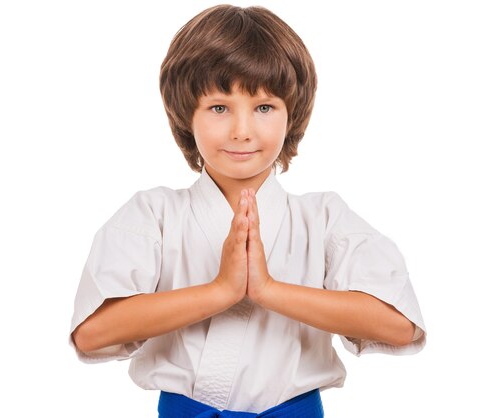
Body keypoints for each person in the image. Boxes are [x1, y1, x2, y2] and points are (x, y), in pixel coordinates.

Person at [69, 4, 426, 417]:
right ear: (187, 116)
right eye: (219, 108)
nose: (242, 130)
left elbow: (399, 325)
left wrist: (268, 290)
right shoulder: (153, 214)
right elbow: (91, 333)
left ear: (292, 115)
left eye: (264, 107)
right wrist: (220, 290)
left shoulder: (322, 217)